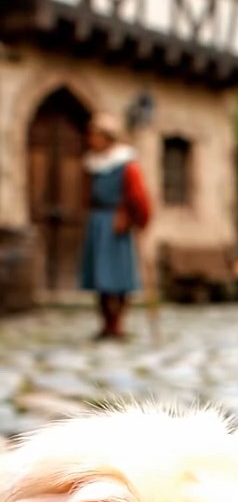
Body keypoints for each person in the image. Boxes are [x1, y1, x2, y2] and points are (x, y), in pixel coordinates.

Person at [79, 112, 151, 340]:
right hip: (98, 221)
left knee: (119, 276)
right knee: (99, 276)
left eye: (96, 134)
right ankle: (106, 323)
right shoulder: (92, 163)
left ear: (108, 138)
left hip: (117, 223)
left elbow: (138, 197)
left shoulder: (126, 165)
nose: (91, 139)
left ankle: (118, 322)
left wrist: (134, 218)